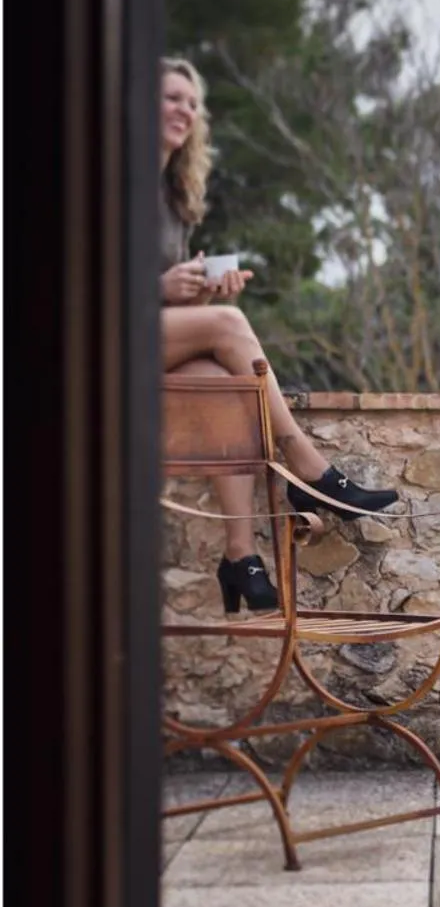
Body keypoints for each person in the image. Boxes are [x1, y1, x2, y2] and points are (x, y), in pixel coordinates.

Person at [157, 57, 399, 613]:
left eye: (192, 103)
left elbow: (169, 307)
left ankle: (240, 556)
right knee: (230, 323)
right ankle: (307, 465)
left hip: (151, 342)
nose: (184, 110)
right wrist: (165, 286)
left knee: (230, 388)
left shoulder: (175, 196)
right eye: (171, 98)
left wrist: (202, 292)